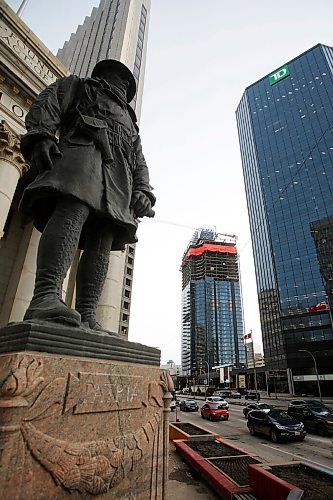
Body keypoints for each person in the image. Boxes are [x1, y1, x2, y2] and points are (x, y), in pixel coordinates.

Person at [20, 59, 155, 333]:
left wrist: (144, 190)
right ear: (103, 75)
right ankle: (45, 295)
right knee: (72, 212)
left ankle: (87, 313)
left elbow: (139, 160)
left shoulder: (131, 124)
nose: (121, 83)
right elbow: (49, 104)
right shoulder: (79, 86)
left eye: (126, 82)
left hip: (118, 179)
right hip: (82, 157)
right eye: (117, 77)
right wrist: (42, 135)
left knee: (103, 238)